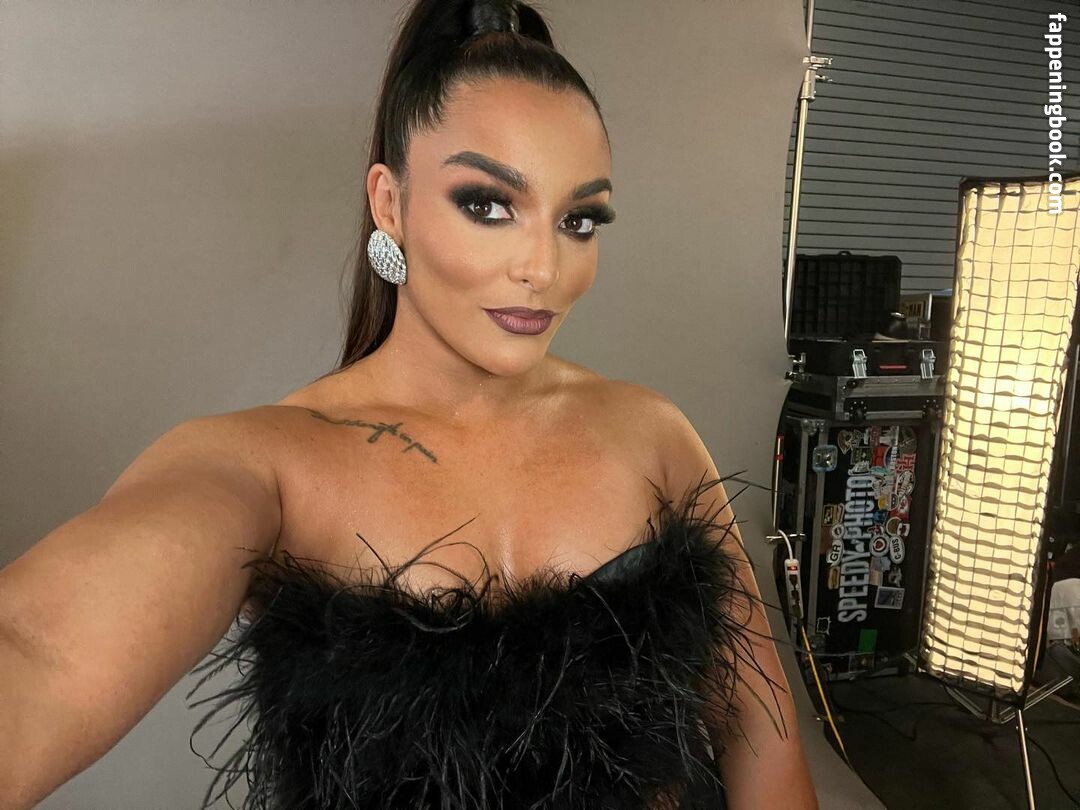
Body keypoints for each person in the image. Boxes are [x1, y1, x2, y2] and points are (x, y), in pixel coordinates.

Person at [0, 0, 818, 807]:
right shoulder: (267, 466)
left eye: (578, 220)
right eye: (487, 205)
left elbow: (763, 738)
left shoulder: (653, 435)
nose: (543, 267)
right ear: (389, 203)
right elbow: (38, 651)